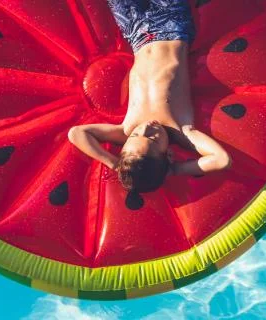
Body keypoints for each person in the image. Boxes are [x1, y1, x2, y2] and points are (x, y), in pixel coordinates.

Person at [68, 0, 232, 193]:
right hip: (172, 24)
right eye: (153, 139)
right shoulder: (181, 131)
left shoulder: (126, 130)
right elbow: (222, 159)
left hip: (135, 33)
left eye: (137, 135)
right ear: (169, 155)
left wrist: (114, 164)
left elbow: (76, 134)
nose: (146, 128)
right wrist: (175, 170)